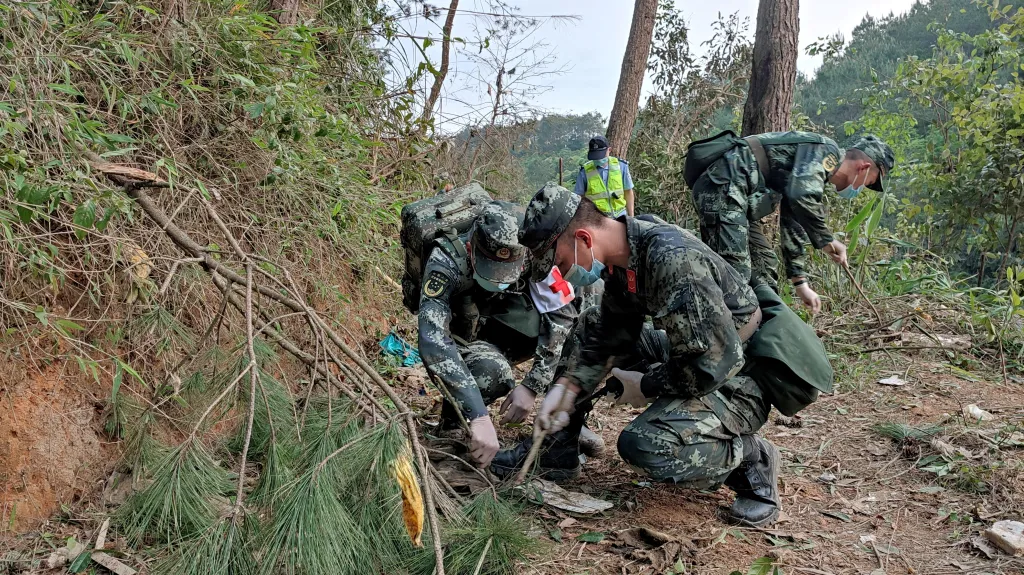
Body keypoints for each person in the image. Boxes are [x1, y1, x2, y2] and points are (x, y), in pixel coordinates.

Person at [493, 184, 832, 527]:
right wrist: (568, 388)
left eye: (560, 261)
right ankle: (557, 451)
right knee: (589, 325)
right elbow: (613, 331)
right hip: (696, 350)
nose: (562, 273)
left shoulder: (672, 259)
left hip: (742, 374)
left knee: (645, 445)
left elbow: (710, 366)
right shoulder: (624, 254)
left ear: (583, 239)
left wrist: (646, 384)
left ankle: (751, 459)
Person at [417, 202, 601, 468]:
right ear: (471, 250)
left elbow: (561, 316)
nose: (501, 280)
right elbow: (433, 340)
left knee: (587, 317)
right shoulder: (445, 261)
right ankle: (454, 421)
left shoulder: (532, 249)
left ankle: (562, 427)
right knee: (491, 371)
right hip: (466, 333)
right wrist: (478, 415)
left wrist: (532, 386)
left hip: (508, 321)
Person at [688, 132, 895, 313]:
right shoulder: (826, 151)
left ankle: (765, 335)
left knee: (764, 266)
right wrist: (827, 240)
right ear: (864, 167)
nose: (862, 188)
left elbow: (793, 219)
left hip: (735, 195)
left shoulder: (813, 173)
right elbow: (801, 196)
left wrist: (800, 283)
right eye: (869, 182)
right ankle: (715, 342)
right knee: (735, 276)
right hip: (724, 187)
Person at [574, 135, 635, 218]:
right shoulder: (585, 171)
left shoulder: (621, 166)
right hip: (597, 219)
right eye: (595, 156)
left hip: (620, 216)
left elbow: (628, 192)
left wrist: (631, 217)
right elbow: (579, 197)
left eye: (600, 155)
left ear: (609, 150)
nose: (598, 159)